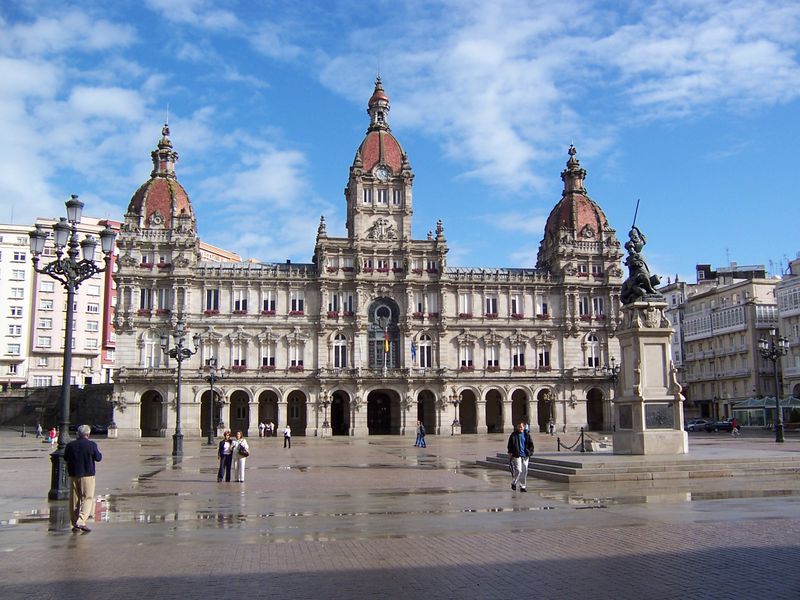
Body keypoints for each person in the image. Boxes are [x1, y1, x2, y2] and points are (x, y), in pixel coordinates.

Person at [63, 424, 102, 533]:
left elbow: (65, 458)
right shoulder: (91, 445)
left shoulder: (70, 445)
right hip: (87, 475)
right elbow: (98, 458)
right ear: (88, 434)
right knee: (87, 498)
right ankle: (81, 521)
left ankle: (74, 522)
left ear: (78, 434)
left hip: (74, 475)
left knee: (74, 500)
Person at [507, 420, 534, 492]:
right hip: (517, 454)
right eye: (519, 427)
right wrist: (510, 453)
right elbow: (510, 445)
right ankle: (514, 482)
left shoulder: (527, 435)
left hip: (525, 455)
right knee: (518, 470)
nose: (520, 428)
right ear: (517, 427)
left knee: (524, 471)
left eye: (521, 427)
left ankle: (522, 486)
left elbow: (531, 444)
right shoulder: (513, 435)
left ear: (524, 427)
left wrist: (530, 452)